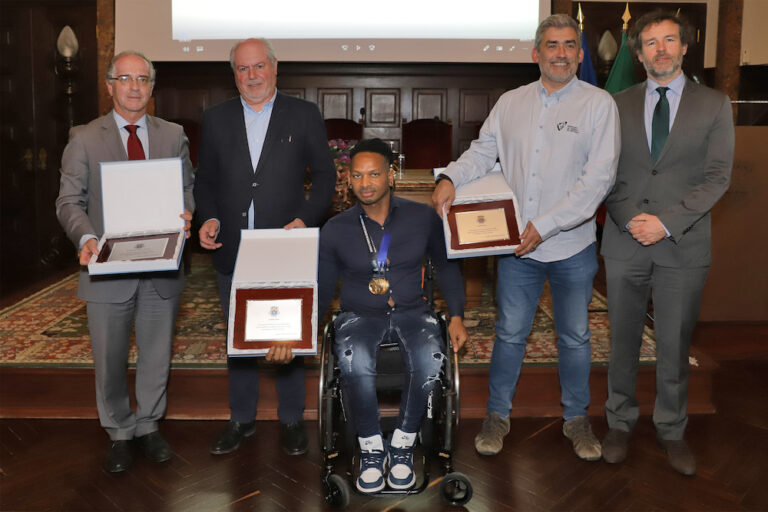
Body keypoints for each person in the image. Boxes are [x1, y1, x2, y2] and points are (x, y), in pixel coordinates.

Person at [432, 14, 620, 461]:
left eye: (569, 45)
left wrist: (547, 224)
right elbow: (483, 152)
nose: (561, 53)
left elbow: (599, 181)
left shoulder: (598, 105)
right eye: (552, 45)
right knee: (511, 334)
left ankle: (576, 418)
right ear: (536, 53)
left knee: (575, 336)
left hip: (571, 246)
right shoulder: (511, 102)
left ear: (579, 53)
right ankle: (498, 415)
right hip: (515, 248)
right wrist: (450, 178)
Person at [601, 11, 734, 476]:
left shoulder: (715, 104)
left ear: (684, 47)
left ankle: (672, 430)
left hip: (683, 244)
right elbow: (605, 174)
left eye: (669, 40)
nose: (660, 49)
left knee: (675, 343)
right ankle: (618, 424)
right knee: (622, 340)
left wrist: (665, 223)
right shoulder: (614, 105)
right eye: (650, 42)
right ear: (637, 55)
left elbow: (718, 178)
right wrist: (629, 218)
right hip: (625, 240)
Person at [193, 38, 335, 456]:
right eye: (242, 69)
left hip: (284, 248)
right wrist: (210, 217)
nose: (251, 76)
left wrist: (305, 219)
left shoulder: (304, 114)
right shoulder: (216, 118)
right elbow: (206, 181)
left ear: (275, 68)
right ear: (233, 74)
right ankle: (242, 419)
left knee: (285, 335)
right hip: (232, 248)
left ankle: (291, 419)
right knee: (239, 340)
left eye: (259, 67)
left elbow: (325, 177)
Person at [55, 51, 195, 473]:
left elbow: (187, 189)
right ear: (109, 85)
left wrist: (187, 213)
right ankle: (118, 430)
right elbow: (68, 202)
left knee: (156, 354)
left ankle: (149, 426)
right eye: (125, 78)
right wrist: (87, 236)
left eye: (143, 79)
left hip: (160, 269)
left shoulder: (173, 134)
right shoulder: (84, 137)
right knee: (109, 358)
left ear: (152, 87)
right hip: (105, 269)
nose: (134, 87)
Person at [318, 138, 468, 493]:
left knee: (430, 358)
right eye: (357, 175)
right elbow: (323, 285)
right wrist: (305, 328)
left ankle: (402, 444)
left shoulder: (422, 218)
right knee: (354, 360)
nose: (365, 183)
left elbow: (446, 268)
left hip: (414, 312)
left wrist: (458, 315)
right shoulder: (336, 229)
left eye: (374, 174)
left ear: (391, 175)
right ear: (348, 179)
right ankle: (371, 447)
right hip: (359, 315)